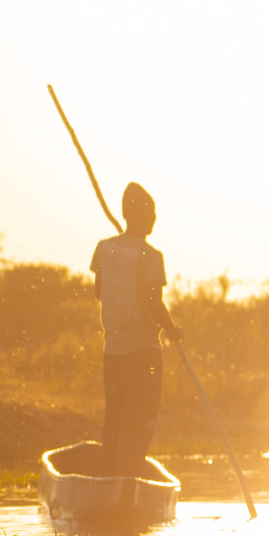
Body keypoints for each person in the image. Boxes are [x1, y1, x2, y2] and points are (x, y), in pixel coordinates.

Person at [90, 182, 180, 476]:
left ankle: (109, 477)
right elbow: (153, 302)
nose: (155, 218)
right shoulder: (151, 256)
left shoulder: (104, 249)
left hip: (113, 352)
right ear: (136, 215)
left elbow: (100, 293)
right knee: (140, 419)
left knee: (115, 416)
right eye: (151, 213)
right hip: (143, 353)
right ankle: (125, 483)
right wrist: (172, 329)